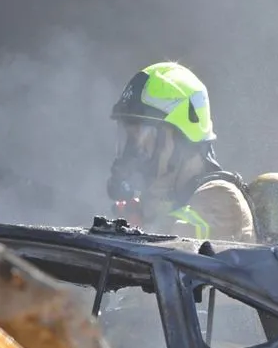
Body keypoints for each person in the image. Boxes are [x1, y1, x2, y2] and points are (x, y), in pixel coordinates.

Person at [107, 61, 256, 244]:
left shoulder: (222, 198)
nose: (133, 153)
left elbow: (178, 252)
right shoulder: (162, 202)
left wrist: (135, 231)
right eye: (128, 140)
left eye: (145, 140)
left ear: (181, 140)